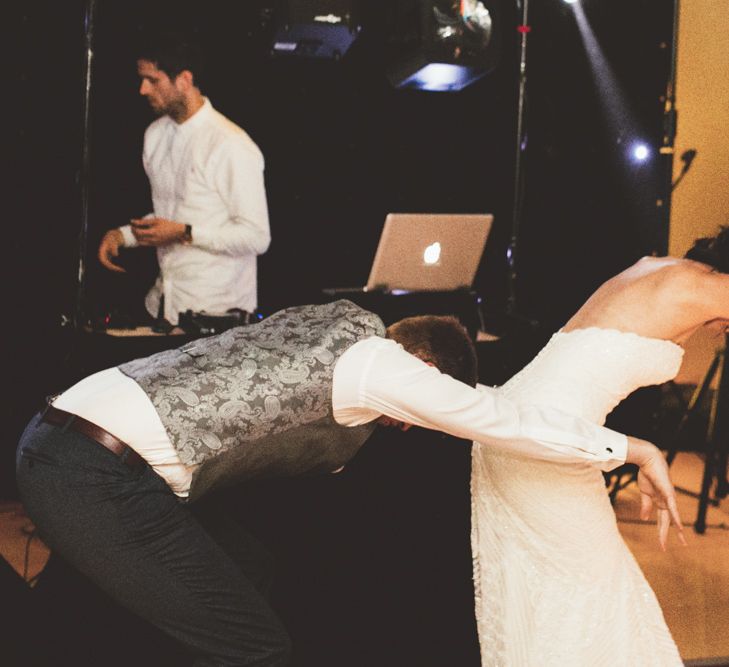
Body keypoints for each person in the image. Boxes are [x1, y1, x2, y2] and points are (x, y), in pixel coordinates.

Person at [16, 298, 677, 666]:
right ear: (421, 369)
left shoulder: (332, 320)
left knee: (248, 569)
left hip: (65, 430)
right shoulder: (380, 369)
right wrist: (629, 446)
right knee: (256, 646)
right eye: (416, 410)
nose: (404, 428)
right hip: (91, 471)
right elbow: (493, 417)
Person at [469, 229, 729, 665]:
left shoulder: (661, 267)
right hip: (548, 439)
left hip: (516, 424)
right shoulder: (711, 288)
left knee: (556, 594)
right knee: (592, 593)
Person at [97, 30, 270, 326]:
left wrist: (184, 232)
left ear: (184, 80)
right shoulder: (154, 135)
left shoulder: (230, 144)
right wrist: (123, 235)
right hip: (164, 307)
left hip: (218, 315)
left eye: (153, 80)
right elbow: (174, 215)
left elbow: (256, 237)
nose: (142, 90)